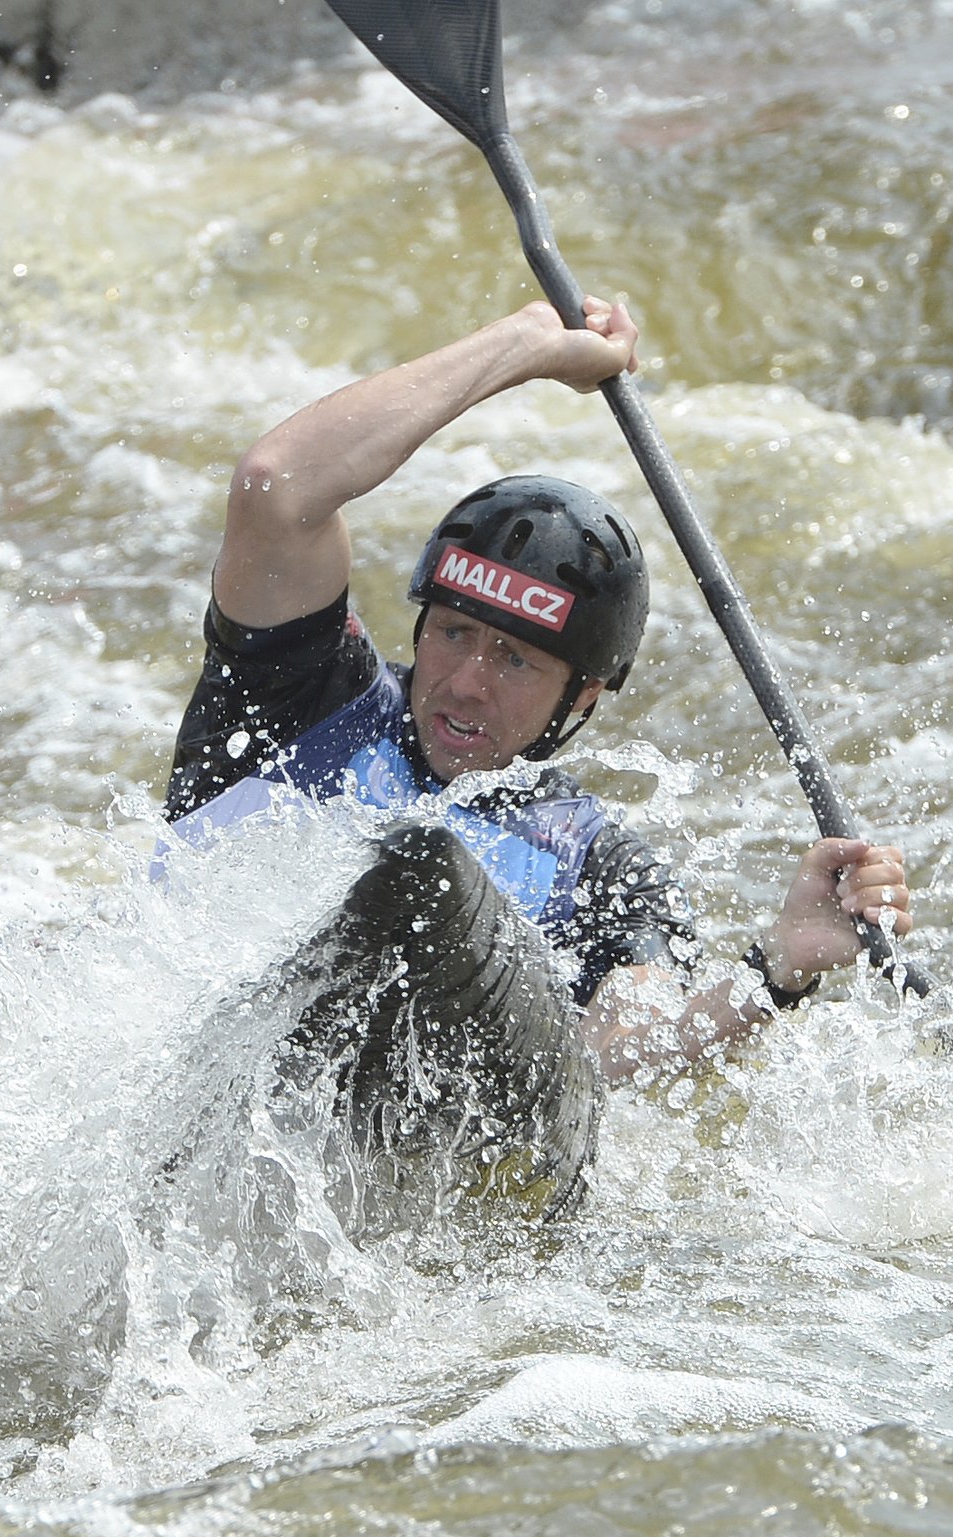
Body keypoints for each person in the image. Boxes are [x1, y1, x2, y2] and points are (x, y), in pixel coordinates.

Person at [163, 294, 913, 1094]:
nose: (466, 681)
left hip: (396, 1141)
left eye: (515, 660)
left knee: (433, 871)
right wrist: (529, 346)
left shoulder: (599, 864)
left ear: (582, 699)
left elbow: (603, 1065)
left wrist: (780, 966)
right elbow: (275, 485)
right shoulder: (300, 696)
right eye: (454, 633)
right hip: (182, 1072)